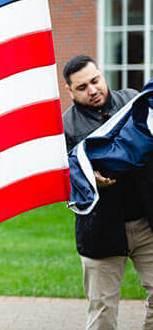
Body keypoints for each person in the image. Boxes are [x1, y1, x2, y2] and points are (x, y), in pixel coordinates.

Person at [62, 54, 153, 330]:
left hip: (146, 223)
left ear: (102, 73)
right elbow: (60, 183)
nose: (92, 90)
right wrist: (87, 180)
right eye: (82, 87)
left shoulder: (133, 101)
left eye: (95, 80)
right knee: (101, 315)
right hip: (100, 231)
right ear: (70, 91)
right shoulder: (63, 128)